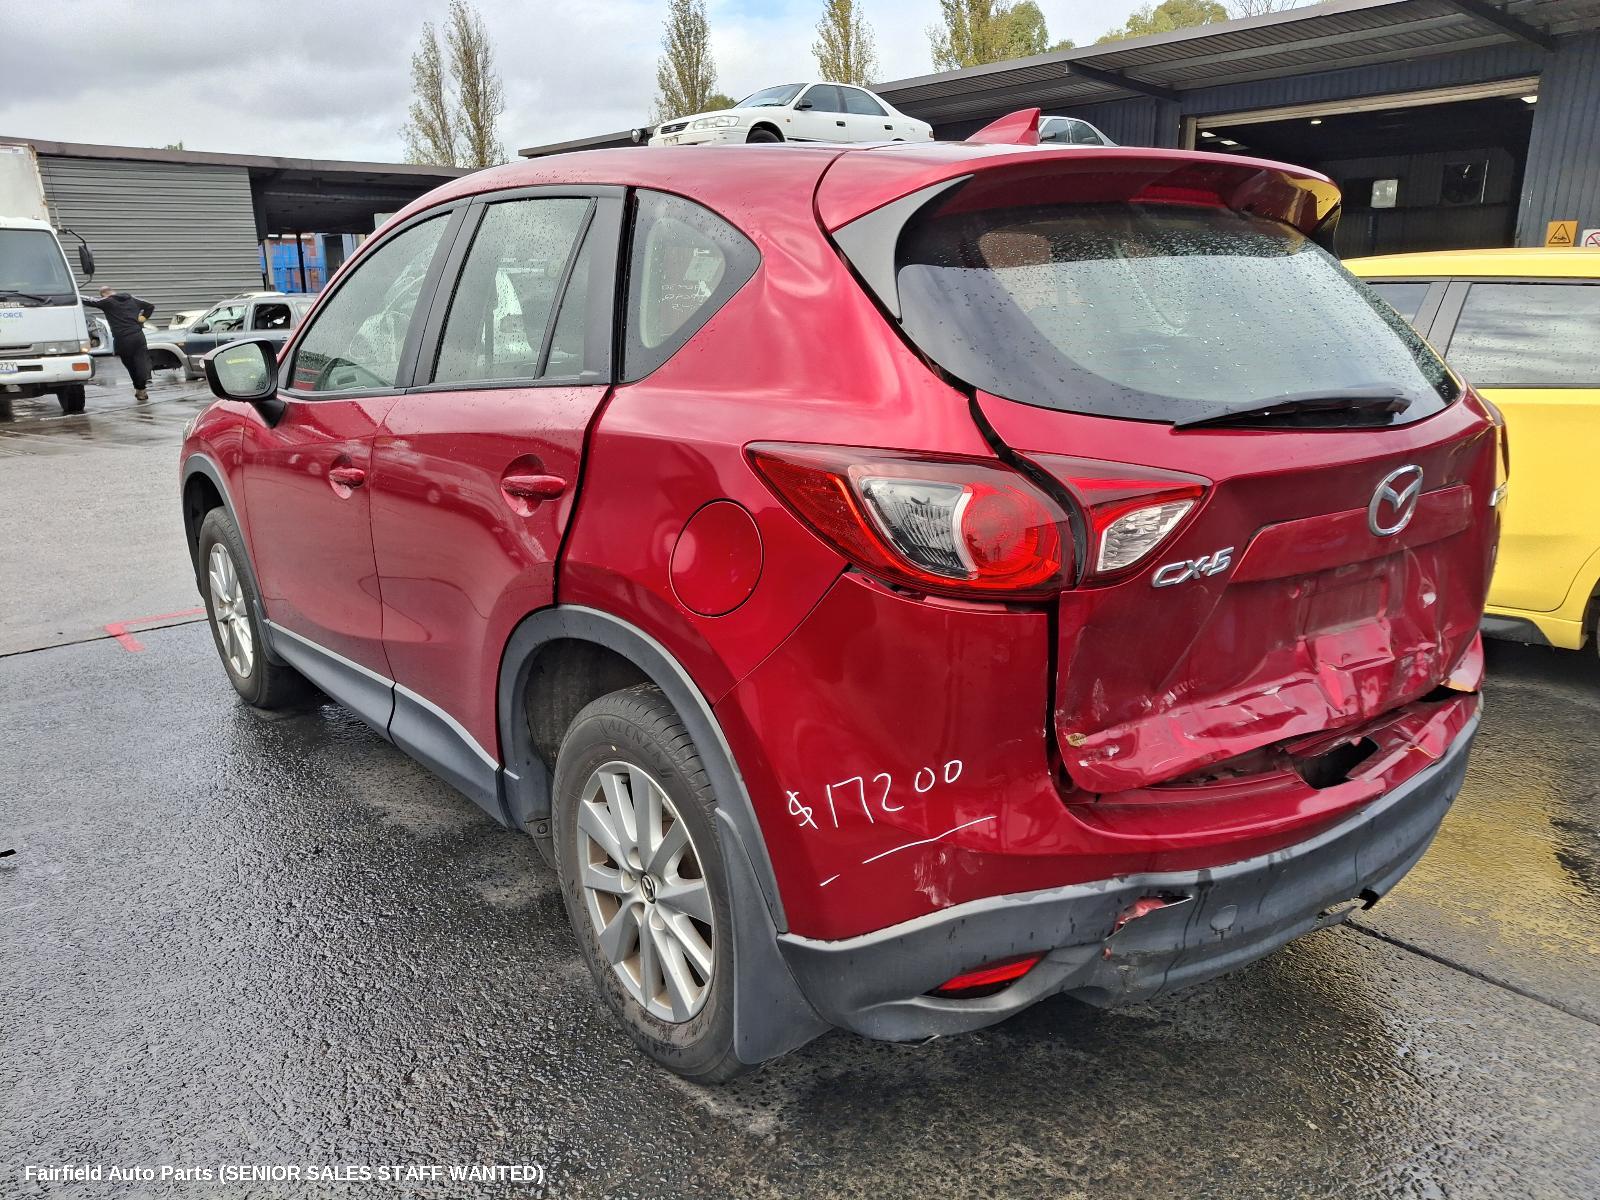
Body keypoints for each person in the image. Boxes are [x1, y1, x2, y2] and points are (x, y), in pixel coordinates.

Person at [84, 286, 156, 400]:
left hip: (122, 339)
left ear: (103, 294)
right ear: (113, 290)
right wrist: (142, 319)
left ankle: (140, 388)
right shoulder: (132, 299)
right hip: (138, 336)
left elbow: (90, 301)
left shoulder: (107, 301)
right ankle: (142, 386)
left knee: (131, 365)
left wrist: (74, 295)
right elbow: (150, 306)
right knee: (141, 361)